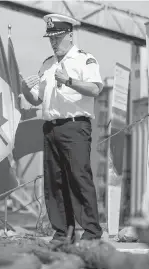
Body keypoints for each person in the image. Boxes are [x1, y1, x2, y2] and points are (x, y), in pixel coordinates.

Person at [21, 13, 104, 243]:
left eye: (57, 37)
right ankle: (62, 232)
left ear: (69, 35)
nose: (53, 42)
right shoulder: (47, 64)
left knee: (79, 179)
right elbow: (36, 99)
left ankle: (91, 232)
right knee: (54, 182)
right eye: (51, 38)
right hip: (51, 128)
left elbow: (96, 89)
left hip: (75, 126)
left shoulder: (85, 60)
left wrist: (69, 81)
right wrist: (25, 88)